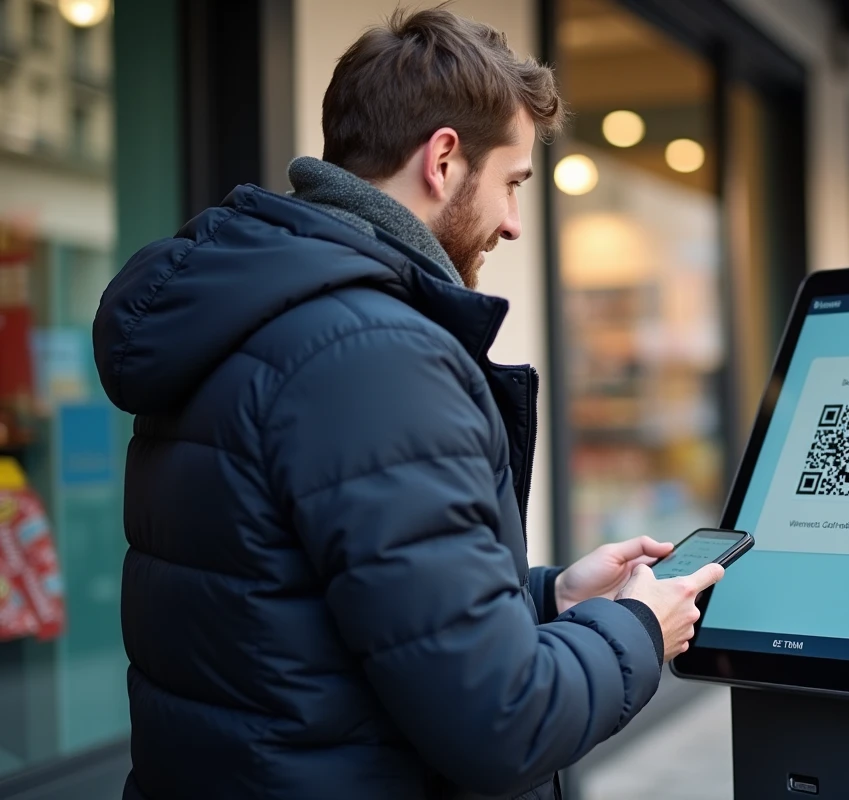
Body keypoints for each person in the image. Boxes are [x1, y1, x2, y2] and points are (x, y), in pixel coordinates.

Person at [91, 8, 722, 800]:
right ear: (445, 159)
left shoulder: (259, 313)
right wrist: (636, 627)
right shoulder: (375, 356)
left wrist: (548, 597)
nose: (515, 225)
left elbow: (311, 610)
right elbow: (503, 721)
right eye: (513, 184)